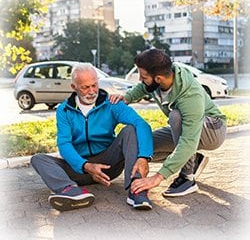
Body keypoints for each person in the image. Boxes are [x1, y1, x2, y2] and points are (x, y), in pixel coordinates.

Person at [31, 63, 154, 212]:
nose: (92, 91)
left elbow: (141, 124)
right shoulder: (64, 110)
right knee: (38, 159)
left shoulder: (111, 103)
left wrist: (144, 157)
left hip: (108, 165)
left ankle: (136, 189)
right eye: (85, 87)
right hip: (79, 169)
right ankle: (70, 191)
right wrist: (85, 166)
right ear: (73, 87)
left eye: (94, 85)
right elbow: (64, 143)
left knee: (130, 130)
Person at [110, 48, 227, 197]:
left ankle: (187, 178)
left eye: (143, 76)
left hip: (213, 129)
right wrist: (126, 98)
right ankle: (193, 159)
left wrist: (157, 177)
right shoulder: (159, 80)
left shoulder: (190, 95)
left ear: (158, 78)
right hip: (189, 130)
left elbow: (188, 141)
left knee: (175, 117)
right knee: (144, 145)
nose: (140, 79)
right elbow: (143, 88)